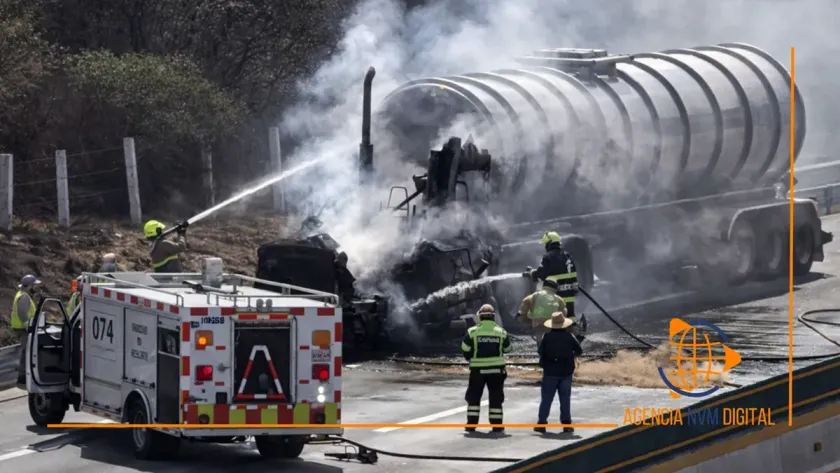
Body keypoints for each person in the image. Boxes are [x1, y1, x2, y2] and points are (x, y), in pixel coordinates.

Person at [461, 304, 512, 433]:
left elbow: (465, 349)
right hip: (496, 371)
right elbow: (508, 349)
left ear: (480, 317)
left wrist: (469, 357)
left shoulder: (472, 331)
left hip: (478, 371)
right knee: (496, 397)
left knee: (474, 397)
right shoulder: (501, 332)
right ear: (493, 317)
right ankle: (497, 426)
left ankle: (471, 425)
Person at [534, 310, 582, 434]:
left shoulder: (547, 337)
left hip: (550, 372)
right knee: (565, 399)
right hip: (566, 372)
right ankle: (566, 425)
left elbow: (540, 352)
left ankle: (541, 424)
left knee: (546, 399)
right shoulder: (569, 337)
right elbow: (579, 350)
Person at [525, 231, 579, 319]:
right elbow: (573, 273)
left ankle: (558, 332)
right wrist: (575, 287)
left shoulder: (548, 257)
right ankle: (573, 330)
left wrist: (532, 273)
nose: (545, 246)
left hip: (556, 293)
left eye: (546, 244)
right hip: (569, 294)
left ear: (550, 244)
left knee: (557, 317)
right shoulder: (567, 255)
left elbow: (541, 274)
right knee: (570, 315)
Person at [515, 279, 566, 346]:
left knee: (540, 342)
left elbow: (525, 302)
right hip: (552, 325)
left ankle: (541, 350)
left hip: (538, 324)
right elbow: (564, 313)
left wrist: (522, 316)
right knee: (552, 342)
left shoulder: (534, 295)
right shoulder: (559, 299)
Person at [13, 274, 41, 385]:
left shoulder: (23, 294)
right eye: (34, 285)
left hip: (22, 328)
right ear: (29, 286)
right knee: (26, 352)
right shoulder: (24, 297)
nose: (35, 287)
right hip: (24, 329)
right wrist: (27, 326)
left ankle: (24, 376)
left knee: (26, 352)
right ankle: (23, 377)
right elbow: (22, 313)